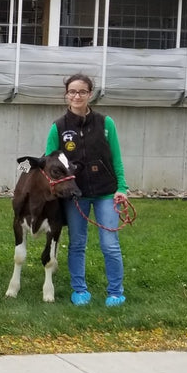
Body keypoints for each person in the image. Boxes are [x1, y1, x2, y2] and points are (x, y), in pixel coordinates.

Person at [46, 73, 130, 307]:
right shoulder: (58, 127)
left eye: (82, 91)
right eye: (72, 91)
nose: (77, 96)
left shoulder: (106, 124)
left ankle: (115, 291)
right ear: (66, 95)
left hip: (106, 192)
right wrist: (26, 169)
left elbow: (117, 159)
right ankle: (79, 290)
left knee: (109, 244)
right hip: (75, 194)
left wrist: (121, 187)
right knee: (77, 243)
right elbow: (50, 160)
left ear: (90, 94)